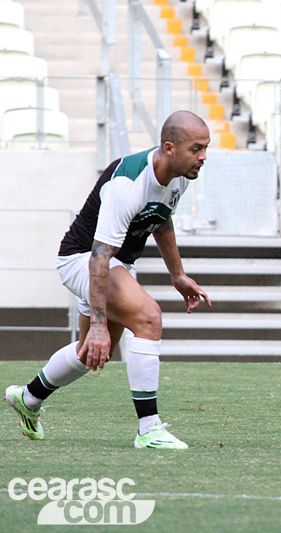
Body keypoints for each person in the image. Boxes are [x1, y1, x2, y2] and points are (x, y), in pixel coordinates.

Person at [5, 110, 212, 449]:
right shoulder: (127, 183)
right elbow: (99, 256)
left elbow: (161, 220)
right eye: (196, 149)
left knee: (89, 354)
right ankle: (149, 429)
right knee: (149, 318)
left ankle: (28, 397)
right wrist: (100, 324)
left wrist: (178, 275)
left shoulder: (179, 177)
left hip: (115, 264)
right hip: (84, 259)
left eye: (205, 148)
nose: (203, 156)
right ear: (169, 148)